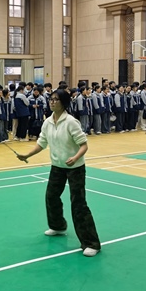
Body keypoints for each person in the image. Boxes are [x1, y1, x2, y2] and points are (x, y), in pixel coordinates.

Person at [17, 88, 101, 257]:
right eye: (51, 99)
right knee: (51, 196)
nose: (52, 102)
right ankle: (58, 226)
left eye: (56, 99)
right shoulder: (47, 122)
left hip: (75, 168)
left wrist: (75, 158)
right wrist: (27, 155)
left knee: (78, 204)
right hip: (57, 167)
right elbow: (41, 143)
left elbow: (84, 145)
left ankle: (92, 243)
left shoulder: (71, 122)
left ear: (64, 103)